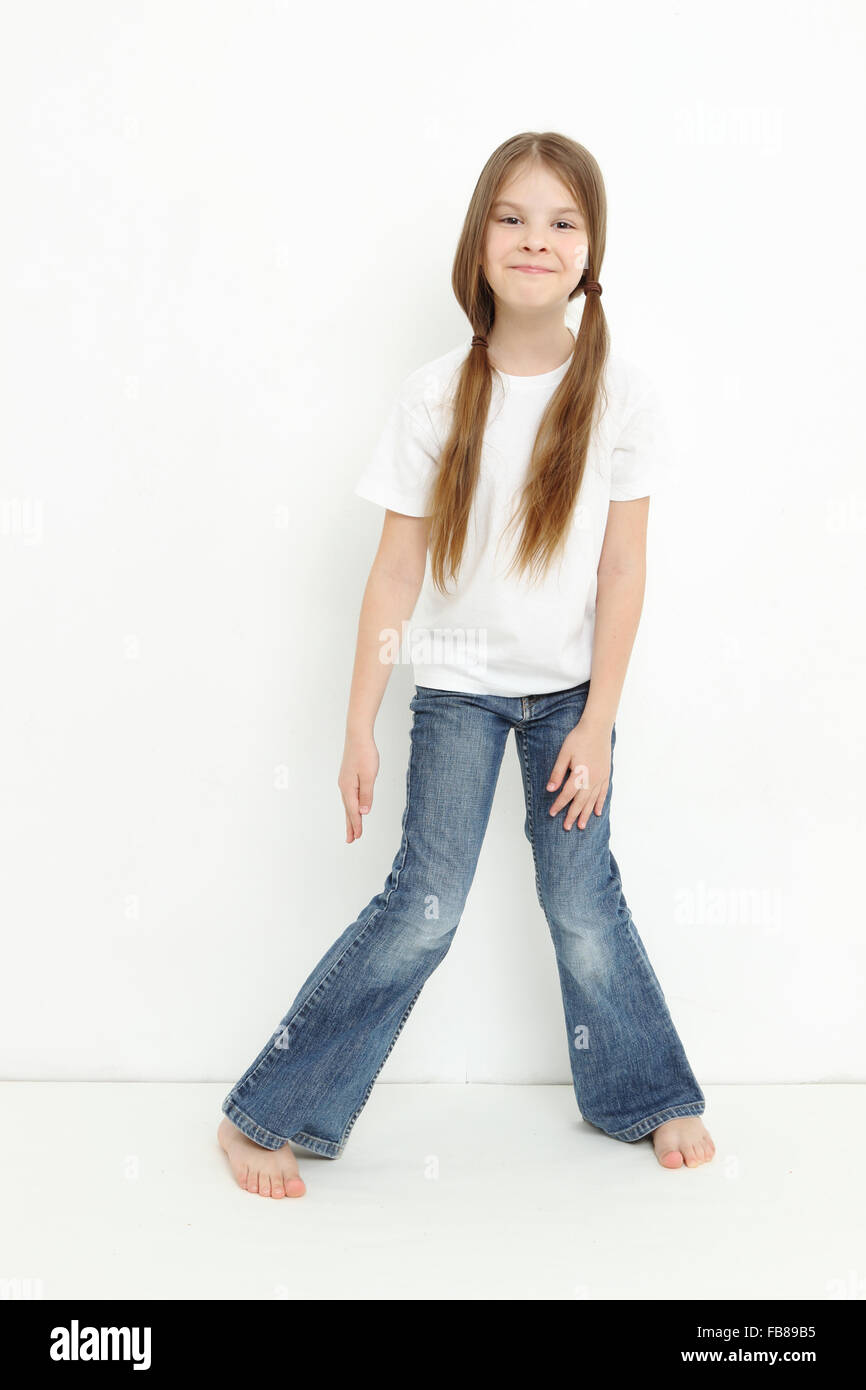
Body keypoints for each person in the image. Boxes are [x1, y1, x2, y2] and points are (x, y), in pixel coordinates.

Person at [218, 131, 714, 1199]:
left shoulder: (620, 395)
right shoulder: (436, 393)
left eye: (561, 221)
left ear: (590, 251)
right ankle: (271, 1108)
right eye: (512, 217)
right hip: (454, 691)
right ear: (478, 240)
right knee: (424, 905)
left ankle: (639, 1090)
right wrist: (359, 720)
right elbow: (395, 574)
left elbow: (623, 570)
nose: (534, 239)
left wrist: (597, 722)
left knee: (582, 901)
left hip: (569, 698)